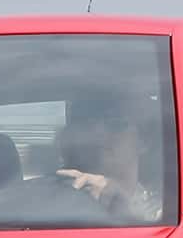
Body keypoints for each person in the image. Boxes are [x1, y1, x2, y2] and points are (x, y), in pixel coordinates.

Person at [55, 92, 163, 221]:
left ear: (144, 140)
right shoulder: (49, 195)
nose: (98, 133)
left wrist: (121, 206)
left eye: (115, 124)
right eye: (87, 124)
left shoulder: (164, 211)